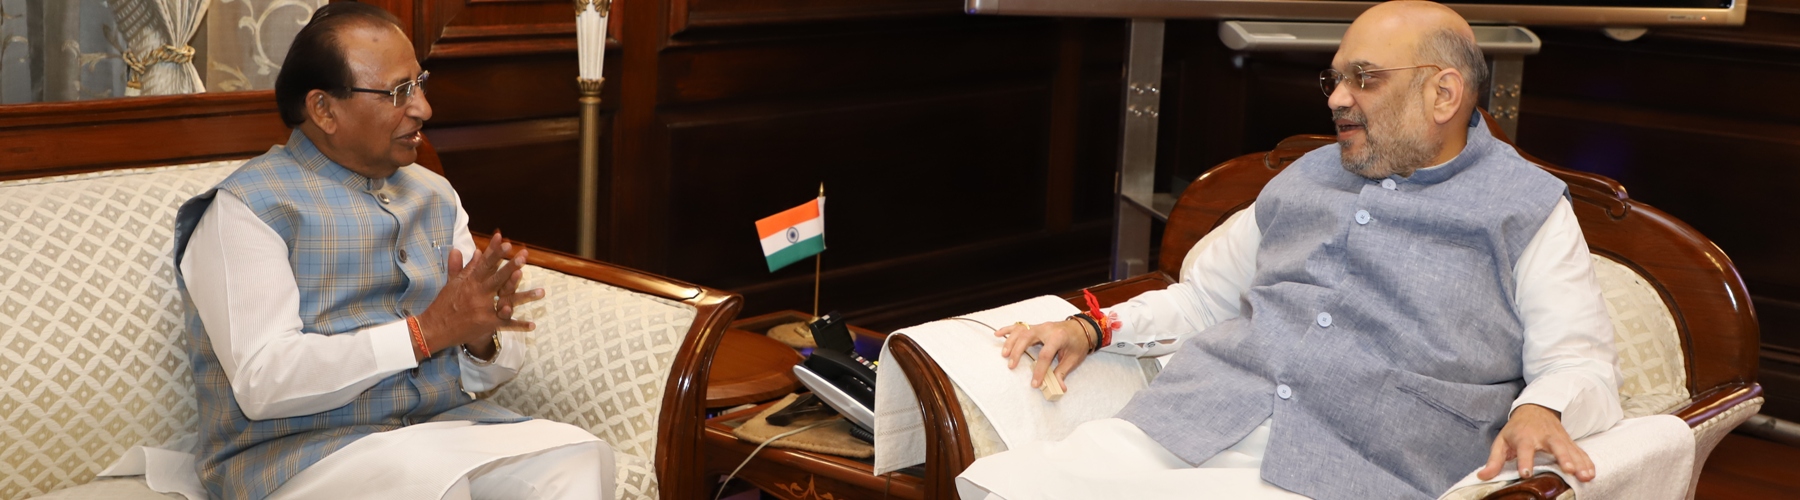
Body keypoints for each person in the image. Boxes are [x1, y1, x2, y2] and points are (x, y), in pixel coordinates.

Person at [957, 2, 1622, 499]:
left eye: (1364, 80)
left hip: (1355, 469)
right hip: (1183, 429)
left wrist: (1542, 408)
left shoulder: (1527, 208)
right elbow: (1203, 299)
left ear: (1443, 92)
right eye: (1333, 79)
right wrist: (1090, 326)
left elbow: (1578, 360)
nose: (1337, 99)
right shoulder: (1305, 177)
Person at [170, 4, 613, 499]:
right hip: (294, 456)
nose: (423, 108)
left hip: (432, 431)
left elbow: (487, 371)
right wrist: (425, 333)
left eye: (419, 84)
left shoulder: (434, 195)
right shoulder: (248, 208)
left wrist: (478, 336)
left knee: (576, 455)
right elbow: (264, 382)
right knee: (428, 477)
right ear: (324, 109)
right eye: (399, 92)